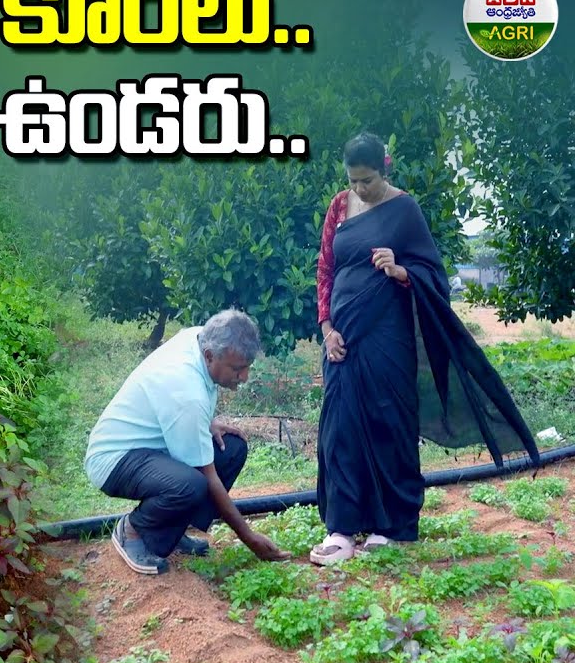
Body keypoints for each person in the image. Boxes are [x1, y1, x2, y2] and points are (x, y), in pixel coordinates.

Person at [311, 132, 540, 565]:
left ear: (385, 168)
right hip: (342, 335)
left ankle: (391, 526)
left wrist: (399, 271)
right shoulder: (339, 206)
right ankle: (340, 529)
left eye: (368, 181)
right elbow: (326, 268)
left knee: (388, 423)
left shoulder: (405, 208)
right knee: (338, 429)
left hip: (387, 336)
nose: (360, 189)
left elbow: (431, 272)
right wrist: (326, 327)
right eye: (353, 180)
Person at [85, 309, 291, 575]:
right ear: (209, 356)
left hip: (151, 447)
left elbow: (170, 406)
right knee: (191, 484)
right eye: (238, 369)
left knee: (231, 449)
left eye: (247, 367)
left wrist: (206, 424)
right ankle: (134, 530)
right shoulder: (186, 389)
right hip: (114, 459)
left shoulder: (200, 338)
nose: (244, 377)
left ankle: (171, 529)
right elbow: (208, 477)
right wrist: (249, 538)